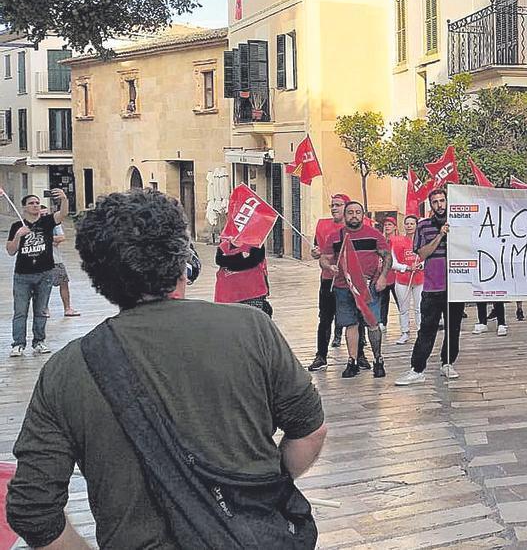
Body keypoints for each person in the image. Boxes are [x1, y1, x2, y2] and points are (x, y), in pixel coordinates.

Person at [5, 188, 326, 547]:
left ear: (98, 275)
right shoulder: (252, 329)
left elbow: (32, 508)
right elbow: (310, 432)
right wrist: (260, 490)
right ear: (181, 261)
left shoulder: (65, 370)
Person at [396, 188, 467, 385]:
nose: (439, 205)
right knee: (427, 329)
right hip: (432, 287)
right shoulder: (423, 226)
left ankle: (447, 363)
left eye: (442, 201)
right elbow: (423, 254)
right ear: (431, 205)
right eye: (435, 202)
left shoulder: (459, 223)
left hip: (455, 287)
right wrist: (440, 236)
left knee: (453, 328)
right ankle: (417, 369)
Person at [320, 201, 390, 379]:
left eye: (357, 212)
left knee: (372, 323)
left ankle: (378, 359)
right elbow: (324, 258)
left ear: (363, 215)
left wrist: (383, 277)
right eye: (350, 212)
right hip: (344, 287)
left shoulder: (374, 234)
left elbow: (387, 256)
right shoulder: (336, 237)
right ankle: (352, 361)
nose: (354, 216)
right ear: (345, 215)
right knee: (350, 324)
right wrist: (329, 267)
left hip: (368, 287)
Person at [8, 189, 68, 356]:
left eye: (37, 203)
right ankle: (18, 344)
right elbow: (11, 251)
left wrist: (64, 199)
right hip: (22, 275)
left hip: (45, 273)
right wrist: (18, 236)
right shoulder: (16, 226)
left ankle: (39, 341)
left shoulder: (47, 222)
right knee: (20, 311)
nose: (35, 206)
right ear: (24, 208)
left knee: (41, 310)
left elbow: (63, 214)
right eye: (31, 203)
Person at [308, 193, 347, 371]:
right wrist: (315, 253)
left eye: (338, 204)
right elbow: (317, 248)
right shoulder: (322, 225)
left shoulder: (357, 225)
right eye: (332, 205)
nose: (334, 208)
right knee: (325, 319)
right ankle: (321, 356)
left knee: (356, 319)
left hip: (349, 280)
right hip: (327, 279)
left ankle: (359, 355)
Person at [390, 214, 424, 345]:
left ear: (417, 225)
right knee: (403, 307)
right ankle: (405, 332)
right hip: (403, 279)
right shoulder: (397, 241)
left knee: (419, 307)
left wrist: (420, 265)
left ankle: (421, 332)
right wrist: (407, 267)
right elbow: (393, 263)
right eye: (407, 223)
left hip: (420, 279)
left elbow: (427, 257)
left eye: (412, 223)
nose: (409, 226)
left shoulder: (422, 241)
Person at [213, 240, 271, 315]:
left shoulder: (256, 242)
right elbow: (219, 260)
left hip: (251, 292)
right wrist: (241, 256)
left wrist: (231, 261)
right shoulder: (224, 245)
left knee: (252, 319)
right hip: (234, 293)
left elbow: (253, 261)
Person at [47, 220, 80, 317]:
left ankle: (67, 308)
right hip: (40, 261)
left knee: (64, 283)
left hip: (56, 260)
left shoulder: (55, 224)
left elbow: (62, 237)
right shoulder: (33, 225)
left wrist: (46, 239)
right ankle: (44, 308)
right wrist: (52, 240)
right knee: (42, 286)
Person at [378, 216, 400, 330]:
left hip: (396, 274)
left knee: (400, 299)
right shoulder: (381, 240)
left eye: (390, 225)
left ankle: (404, 320)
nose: (387, 227)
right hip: (385, 274)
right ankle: (382, 321)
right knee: (383, 299)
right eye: (386, 225)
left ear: (395, 227)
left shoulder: (399, 240)